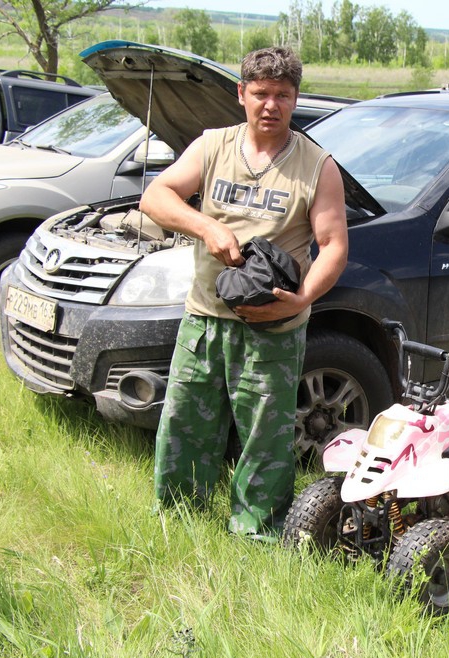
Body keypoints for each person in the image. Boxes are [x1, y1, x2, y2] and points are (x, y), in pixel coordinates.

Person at [138, 46, 348, 539]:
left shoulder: (317, 166)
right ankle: (180, 520)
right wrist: (207, 228)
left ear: (296, 99)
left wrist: (303, 298)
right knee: (185, 425)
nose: (270, 105)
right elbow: (156, 197)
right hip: (205, 320)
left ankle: (256, 532)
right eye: (260, 93)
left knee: (265, 438)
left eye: (282, 95)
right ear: (241, 94)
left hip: (273, 328)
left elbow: (334, 246)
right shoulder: (212, 146)